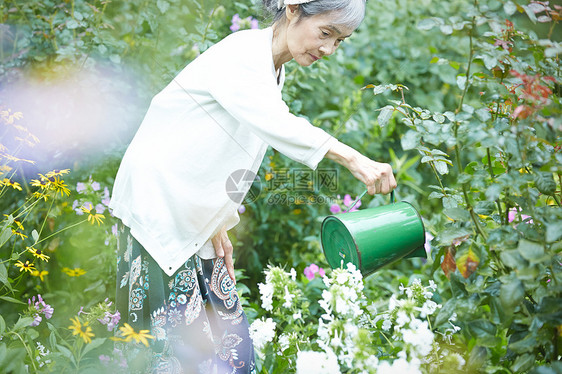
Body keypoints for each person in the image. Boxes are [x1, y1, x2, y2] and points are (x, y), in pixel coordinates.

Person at [109, 0, 397, 372]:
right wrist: (354, 158)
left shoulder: (271, 68)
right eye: (326, 33)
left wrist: (219, 222)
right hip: (159, 208)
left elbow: (226, 152)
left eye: (340, 41)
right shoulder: (241, 54)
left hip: (191, 215)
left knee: (232, 352)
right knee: (172, 354)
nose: (328, 49)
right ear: (293, 8)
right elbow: (278, 124)